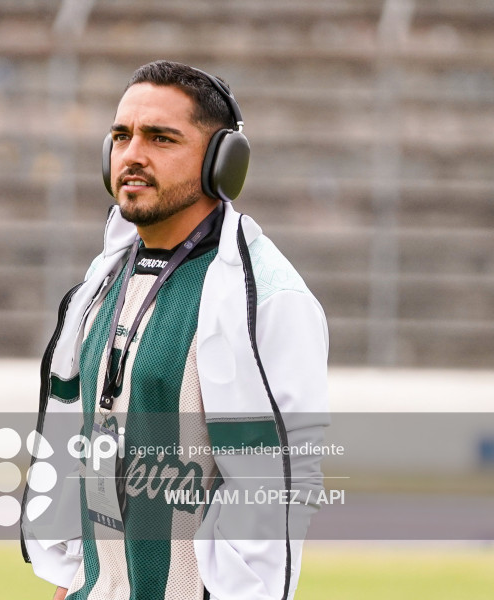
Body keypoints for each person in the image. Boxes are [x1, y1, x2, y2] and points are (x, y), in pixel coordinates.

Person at [21, 60, 329, 600]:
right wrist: (78, 580)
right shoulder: (99, 285)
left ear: (222, 163)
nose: (132, 154)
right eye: (121, 135)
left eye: (161, 138)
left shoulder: (267, 298)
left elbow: (274, 488)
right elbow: (84, 450)